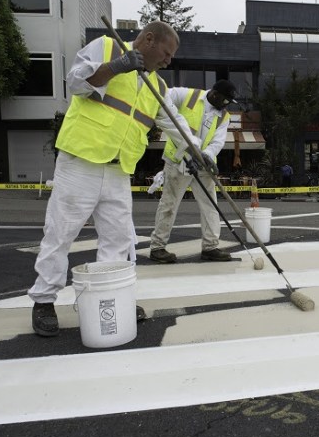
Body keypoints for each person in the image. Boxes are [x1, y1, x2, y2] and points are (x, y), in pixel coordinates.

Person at [28, 22, 198, 337]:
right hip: (81, 162)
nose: (167, 61)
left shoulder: (157, 87)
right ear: (148, 39)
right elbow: (76, 82)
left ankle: (112, 295)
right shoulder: (107, 47)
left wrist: (200, 154)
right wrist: (116, 67)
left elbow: (176, 125)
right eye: (166, 53)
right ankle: (43, 300)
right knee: (60, 233)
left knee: (119, 240)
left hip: (119, 170)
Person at [148, 80, 237, 264]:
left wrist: (207, 156)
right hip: (178, 161)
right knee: (169, 204)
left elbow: (218, 141)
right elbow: (162, 100)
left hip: (204, 165)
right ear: (214, 94)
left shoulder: (223, 116)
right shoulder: (187, 95)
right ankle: (157, 247)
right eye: (225, 101)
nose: (226, 105)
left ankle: (210, 247)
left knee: (210, 205)